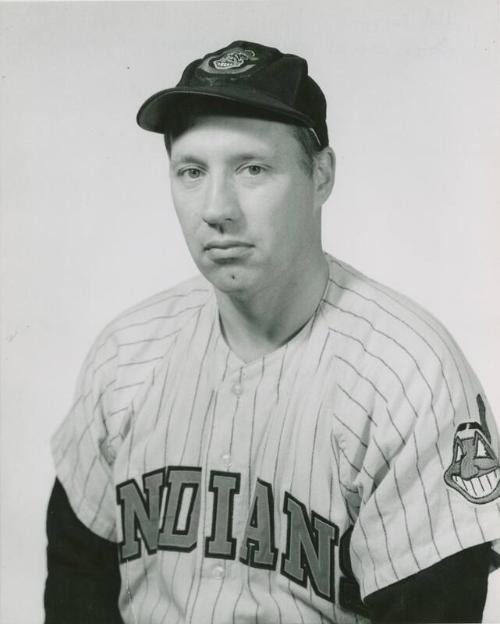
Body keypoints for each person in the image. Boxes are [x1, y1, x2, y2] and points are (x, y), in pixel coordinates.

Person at [44, 41, 500, 624]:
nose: (217, 208)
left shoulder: (408, 374)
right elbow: (78, 569)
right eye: (191, 171)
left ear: (321, 175)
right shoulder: (127, 352)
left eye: (252, 168)